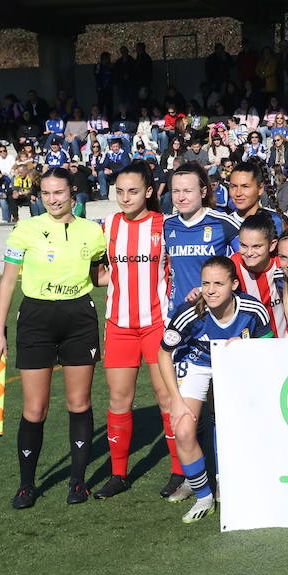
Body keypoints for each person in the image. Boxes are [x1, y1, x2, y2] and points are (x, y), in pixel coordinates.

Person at [0, 167, 107, 509]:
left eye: (59, 192)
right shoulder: (25, 229)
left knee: (79, 403)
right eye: (46, 193)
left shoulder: (93, 231)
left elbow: (99, 276)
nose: (53, 199)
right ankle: (27, 485)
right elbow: (8, 282)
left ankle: (77, 482)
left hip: (79, 319)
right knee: (34, 408)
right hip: (36, 320)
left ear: (72, 192)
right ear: (39, 196)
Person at [91, 163, 186, 502]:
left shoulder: (165, 226)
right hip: (119, 326)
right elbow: (99, 274)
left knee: (166, 398)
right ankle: (119, 475)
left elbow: (180, 272)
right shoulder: (107, 226)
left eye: (132, 191)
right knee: (119, 401)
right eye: (119, 191)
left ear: (148, 192)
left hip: (158, 326)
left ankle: (180, 471)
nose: (125, 197)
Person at [155, 255, 272, 522]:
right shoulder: (190, 312)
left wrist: (247, 349)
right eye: (206, 283)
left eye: (218, 283)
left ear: (233, 284)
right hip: (197, 364)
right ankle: (203, 496)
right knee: (183, 429)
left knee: (237, 424)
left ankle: (231, 479)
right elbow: (163, 354)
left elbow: (268, 348)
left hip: (234, 364)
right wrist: (176, 400)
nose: (210, 290)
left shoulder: (253, 310)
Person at [163, 163, 241, 314]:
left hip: (214, 313)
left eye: (187, 191)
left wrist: (205, 289)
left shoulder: (223, 223)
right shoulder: (167, 224)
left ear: (203, 191)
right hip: (176, 314)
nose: (181, 197)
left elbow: (246, 263)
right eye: (176, 191)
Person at [233, 211, 288, 337]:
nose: (249, 253)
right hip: (252, 347)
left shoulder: (284, 264)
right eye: (243, 245)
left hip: (286, 344)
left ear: (272, 245)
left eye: (256, 246)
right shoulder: (233, 265)